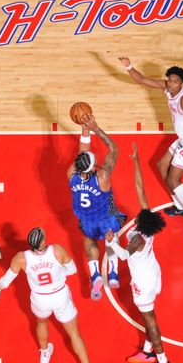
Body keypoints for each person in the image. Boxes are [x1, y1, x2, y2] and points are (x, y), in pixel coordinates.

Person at [118, 56, 183, 242]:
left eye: (175, 81)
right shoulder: (167, 88)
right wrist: (129, 66)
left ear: (182, 84)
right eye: (169, 79)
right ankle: (179, 205)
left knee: (173, 179)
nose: (171, 83)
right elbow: (142, 79)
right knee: (161, 165)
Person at [0, 227, 104, 363]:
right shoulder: (57, 250)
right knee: (74, 333)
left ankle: (44, 354)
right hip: (60, 295)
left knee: (41, 323)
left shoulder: (20, 258)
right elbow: (72, 270)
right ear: (44, 241)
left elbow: (4, 282)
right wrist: (56, 273)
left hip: (40, 298)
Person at [106, 143, 174, 363]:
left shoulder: (137, 241)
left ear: (140, 223)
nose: (137, 212)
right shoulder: (147, 223)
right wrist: (136, 160)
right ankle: (147, 351)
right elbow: (140, 187)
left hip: (144, 281)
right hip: (153, 272)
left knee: (150, 319)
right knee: (148, 315)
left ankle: (164, 362)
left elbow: (123, 255)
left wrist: (113, 241)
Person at [67, 113, 126, 300]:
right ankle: (114, 274)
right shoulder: (103, 176)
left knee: (89, 243)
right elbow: (114, 150)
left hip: (86, 220)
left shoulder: (71, 173)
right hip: (106, 216)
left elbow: (81, 154)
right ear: (93, 167)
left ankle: (95, 275)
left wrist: (84, 129)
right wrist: (95, 128)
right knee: (111, 239)